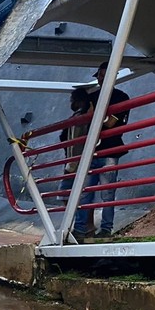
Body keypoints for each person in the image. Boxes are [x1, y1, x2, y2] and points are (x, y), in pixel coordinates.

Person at [73, 62, 130, 238]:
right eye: (100, 75)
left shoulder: (121, 97)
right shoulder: (94, 96)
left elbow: (108, 123)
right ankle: (81, 228)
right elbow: (82, 118)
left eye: (105, 75)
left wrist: (93, 116)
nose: (101, 78)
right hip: (93, 149)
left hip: (108, 149)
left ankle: (105, 229)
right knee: (85, 193)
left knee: (107, 192)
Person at [59, 87, 95, 233]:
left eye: (72, 100)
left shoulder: (81, 117)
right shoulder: (79, 115)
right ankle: (86, 224)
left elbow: (76, 141)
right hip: (75, 158)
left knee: (68, 192)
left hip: (76, 159)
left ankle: (82, 224)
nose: (71, 103)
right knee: (83, 193)